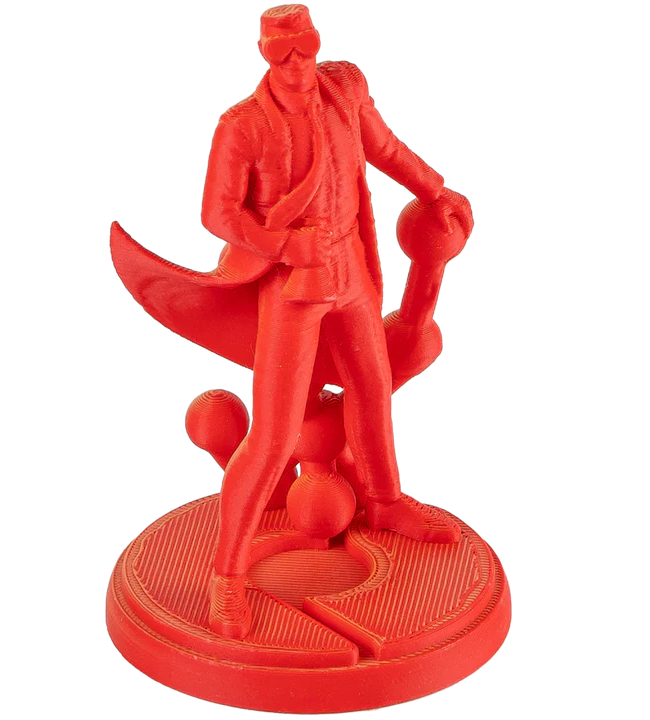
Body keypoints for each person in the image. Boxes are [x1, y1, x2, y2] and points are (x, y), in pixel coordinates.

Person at [200, 2, 472, 639]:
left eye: (306, 46)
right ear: (265, 55)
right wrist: (284, 245)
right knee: (273, 434)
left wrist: (436, 190)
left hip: (349, 267)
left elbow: (384, 147)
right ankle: (226, 576)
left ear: (318, 42)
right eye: (283, 52)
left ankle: (384, 500)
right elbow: (219, 214)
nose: (298, 62)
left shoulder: (343, 89)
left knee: (371, 389)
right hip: (293, 282)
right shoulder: (244, 126)